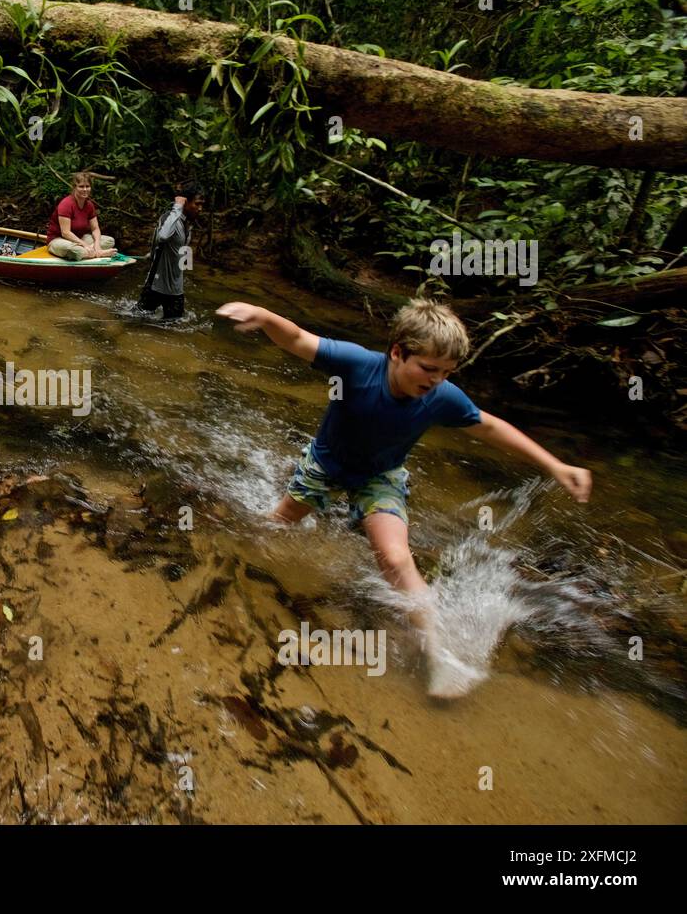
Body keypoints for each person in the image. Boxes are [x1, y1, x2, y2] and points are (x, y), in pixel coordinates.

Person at [215, 297, 592, 698]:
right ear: (397, 352)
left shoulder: (442, 396)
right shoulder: (357, 365)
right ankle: (231, 554)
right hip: (325, 466)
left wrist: (555, 465)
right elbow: (297, 338)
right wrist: (266, 314)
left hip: (381, 477)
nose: (435, 380)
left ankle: (438, 655)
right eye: (428, 368)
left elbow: (490, 427)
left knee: (395, 558)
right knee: (277, 526)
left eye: (446, 373)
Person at [136, 183, 204, 320]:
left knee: (174, 329)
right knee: (136, 322)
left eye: (202, 205)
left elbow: (184, 259)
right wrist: (177, 207)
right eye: (197, 204)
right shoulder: (170, 217)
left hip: (175, 291)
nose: (200, 209)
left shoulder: (188, 225)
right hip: (155, 287)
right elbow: (163, 236)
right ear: (185, 202)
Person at [46, 171, 115, 260]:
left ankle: (93, 251)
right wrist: (85, 244)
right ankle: (98, 253)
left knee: (109, 241)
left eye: (87, 186)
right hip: (59, 240)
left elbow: (95, 228)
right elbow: (65, 233)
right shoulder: (66, 204)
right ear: (74, 187)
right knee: (76, 251)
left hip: (80, 238)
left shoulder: (89, 205)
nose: (85, 189)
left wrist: (97, 245)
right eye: (81, 186)